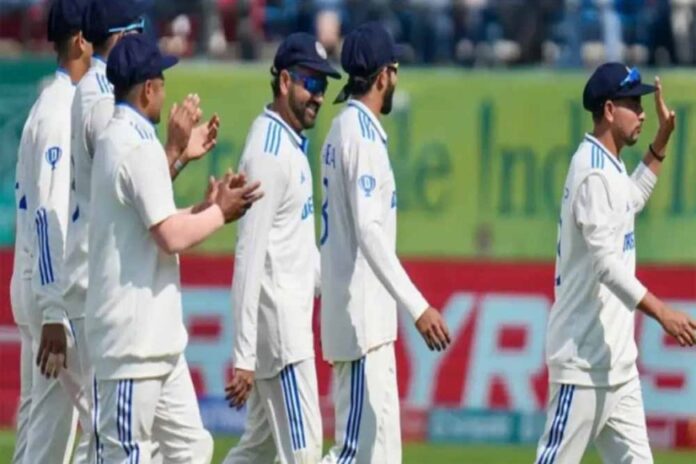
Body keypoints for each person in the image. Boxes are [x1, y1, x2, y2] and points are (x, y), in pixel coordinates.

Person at [85, 33, 262, 463]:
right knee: (125, 455)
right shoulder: (136, 144)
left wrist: (204, 204)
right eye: (162, 83)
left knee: (192, 448)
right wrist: (220, 212)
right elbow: (170, 236)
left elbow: (156, 217)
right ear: (148, 89)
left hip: (157, 344)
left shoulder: (121, 139)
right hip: (131, 347)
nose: (166, 93)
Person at [535, 62, 696, 464]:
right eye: (633, 104)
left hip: (618, 368)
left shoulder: (610, 163)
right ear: (609, 110)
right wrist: (663, 313)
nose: (642, 113)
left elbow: (631, 200)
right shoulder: (592, 172)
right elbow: (606, 265)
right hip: (582, 362)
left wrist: (661, 140)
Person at [319, 22, 451, 463]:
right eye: (395, 70)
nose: (396, 79)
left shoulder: (346, 129)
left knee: (383, 457)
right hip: (361, 324)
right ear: (383, 76)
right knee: (353, 454)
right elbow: (369, 232)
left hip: (368, 323)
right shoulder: (359, 136)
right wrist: (418, 307)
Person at [223, 32, 340, 464]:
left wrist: (338, 290)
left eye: (323, 86)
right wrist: (243, 354)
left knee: (257, 451)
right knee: (305, 455)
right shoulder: (269, 153)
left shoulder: (288, 145)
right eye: (311, 83)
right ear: (285, 80)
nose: (319, 96)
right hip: (282, 339)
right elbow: (248, 256)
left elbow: (296, 248)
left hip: (288, 329)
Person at [11, 1, 92, 462]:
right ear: (80, 41)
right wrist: (54, 312)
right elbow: (48, 213)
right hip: (50, 289)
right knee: (97, 422)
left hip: (41, 284)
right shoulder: (62, 110)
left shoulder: (58, 102)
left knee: (43, 433)